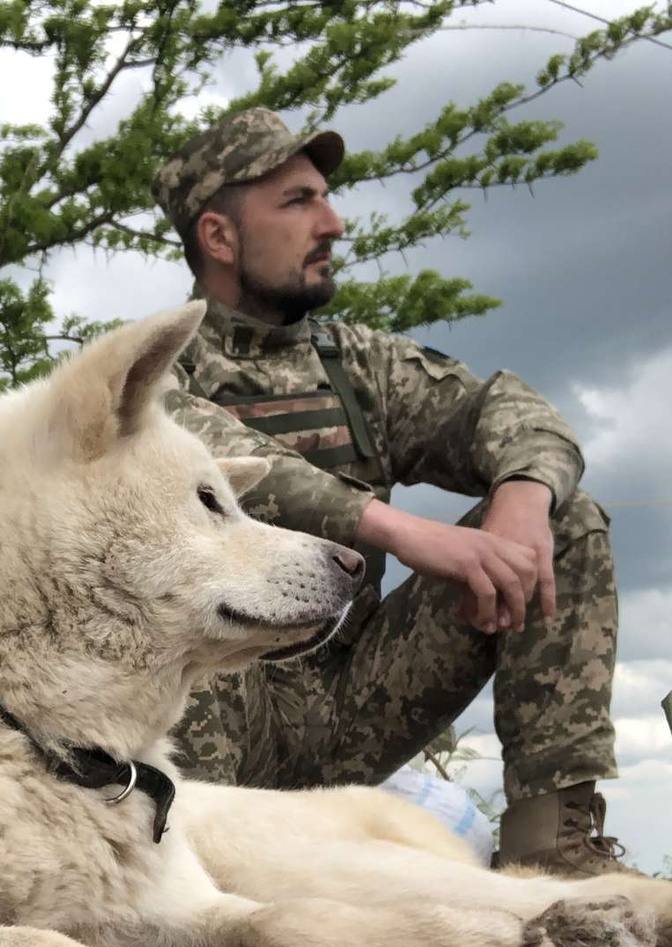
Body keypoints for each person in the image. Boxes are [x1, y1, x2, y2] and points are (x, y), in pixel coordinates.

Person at [151, 107, 633, 877]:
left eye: (326, 198)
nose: (333, 223)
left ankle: (555, 857)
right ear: (218, 236)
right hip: (214, 719)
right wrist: (397, 528)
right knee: (166, 619)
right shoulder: (150, 365)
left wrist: (523, 490)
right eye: (299, 202)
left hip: (352, 700)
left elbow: (514, 417)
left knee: (564, 518)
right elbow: (186, 445)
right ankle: (196, 891)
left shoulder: (360, 366)